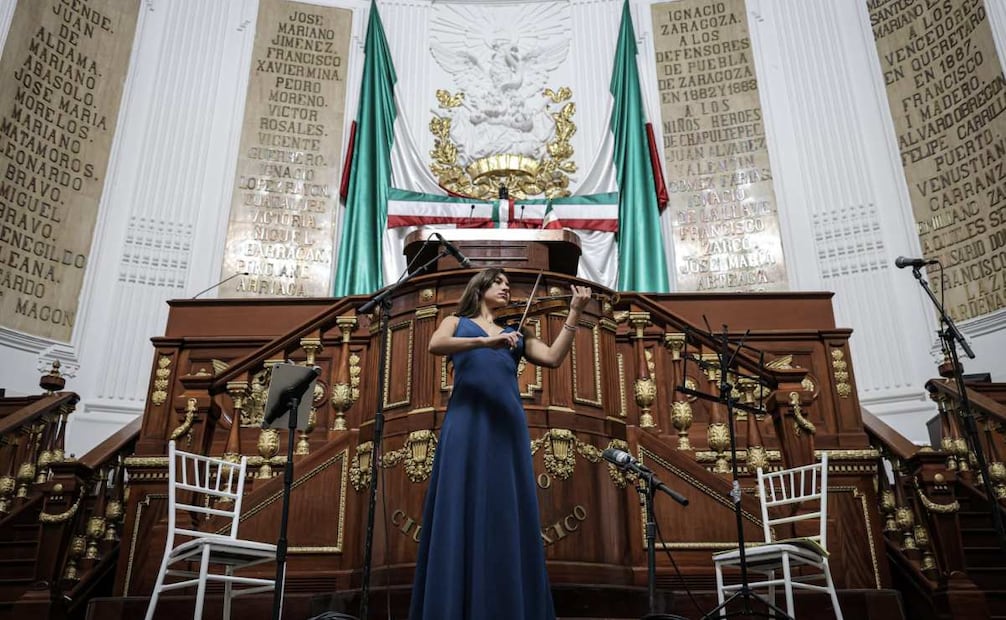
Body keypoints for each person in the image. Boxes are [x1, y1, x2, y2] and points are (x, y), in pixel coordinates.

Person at [409, 267, 591, 620]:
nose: (507, 288)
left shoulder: (517, 332)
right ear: (479, 288)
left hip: (507, 426)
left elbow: (553, 357)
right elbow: (435, 345)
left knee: (506, 509)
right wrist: (485, 341)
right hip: (465, 422)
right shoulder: (455, 321)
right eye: (499, 283)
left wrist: (575, 312)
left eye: (509, 284)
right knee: (460, 504)